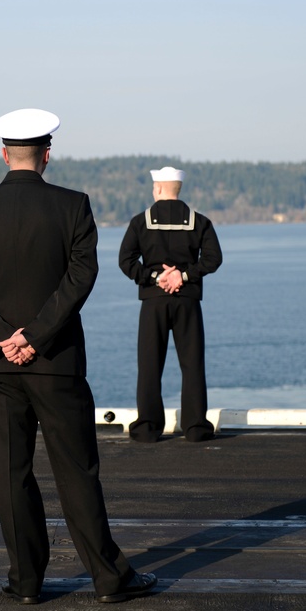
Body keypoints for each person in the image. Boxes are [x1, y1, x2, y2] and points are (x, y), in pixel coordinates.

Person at [0, 108, 156, 604]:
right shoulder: (74, 206)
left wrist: (3, 336)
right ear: (47, 154)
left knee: (11, 472)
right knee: (76, 471)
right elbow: (80, 280)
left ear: (3, 154)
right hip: (56, 361)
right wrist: (35, 337)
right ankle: (108, 579)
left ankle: (26, 583)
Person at [118, 166, 223, 443]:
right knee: (192, 365)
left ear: (158, 188)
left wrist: (155, 277)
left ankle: (148, 428)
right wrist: (183, 275)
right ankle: (196, 427)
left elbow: (125, 261)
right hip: (187, 301)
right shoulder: (200, 222)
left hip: (153, 302)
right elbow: (213, 259)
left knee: (150, 364)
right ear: (178, 189)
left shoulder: (140, 222)